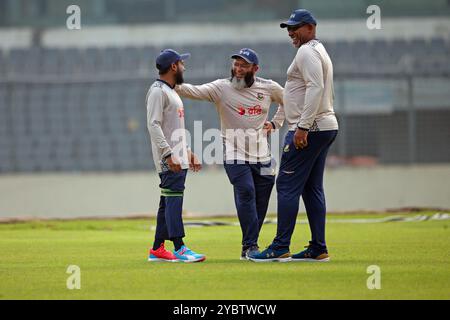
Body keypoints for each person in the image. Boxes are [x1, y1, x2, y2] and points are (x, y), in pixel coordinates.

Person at [175, 48, 285, 260]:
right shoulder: (221, 88)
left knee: (261, 202)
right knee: (246, 191)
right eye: (236, 64)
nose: (238, 69)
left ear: (255, 68)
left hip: (262, 155)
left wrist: (275, 123)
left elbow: (289, 102)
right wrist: (170, 82)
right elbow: (193, 90)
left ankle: (248, 246)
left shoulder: (269, 87)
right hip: (234, 154)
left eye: (244, 65)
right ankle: (251, 245)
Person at [249, 9, 338, 262]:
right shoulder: (319, 50)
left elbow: (315, 87)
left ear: (310, 27)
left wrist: (302, 126)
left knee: (287, 185)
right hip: (325, 125)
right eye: (288, 27)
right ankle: (318, 247)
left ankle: (280, 247)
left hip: (311, 128)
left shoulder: (306, 51)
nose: (291, 32)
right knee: (312, 188)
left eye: (295, 27)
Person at [146, 49, 205, 263]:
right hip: (170, 159)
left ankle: (157, 249)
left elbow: (174, 128)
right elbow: (153, 125)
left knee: (166, 201)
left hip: (178, 157)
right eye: (181, 63)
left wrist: (187, 152)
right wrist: (169, 153)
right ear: (173, 67)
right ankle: (180, 248)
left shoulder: (171, 91)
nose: (184, 67)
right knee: (174, 201)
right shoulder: (157, 92)